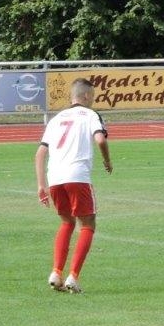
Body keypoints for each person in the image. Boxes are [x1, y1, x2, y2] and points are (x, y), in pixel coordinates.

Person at [34, 77, 112, 293]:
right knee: (88, 224)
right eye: (92, 96)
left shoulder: (55, 119)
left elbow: (40, 153)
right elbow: (100, 140)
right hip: (77, 175)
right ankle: (73, 277)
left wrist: (41, 185)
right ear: (86, 95)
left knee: (66, 222)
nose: (92, 100)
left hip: (54, 178)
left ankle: (56, 272)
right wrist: (107, 160)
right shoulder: (90, 115)